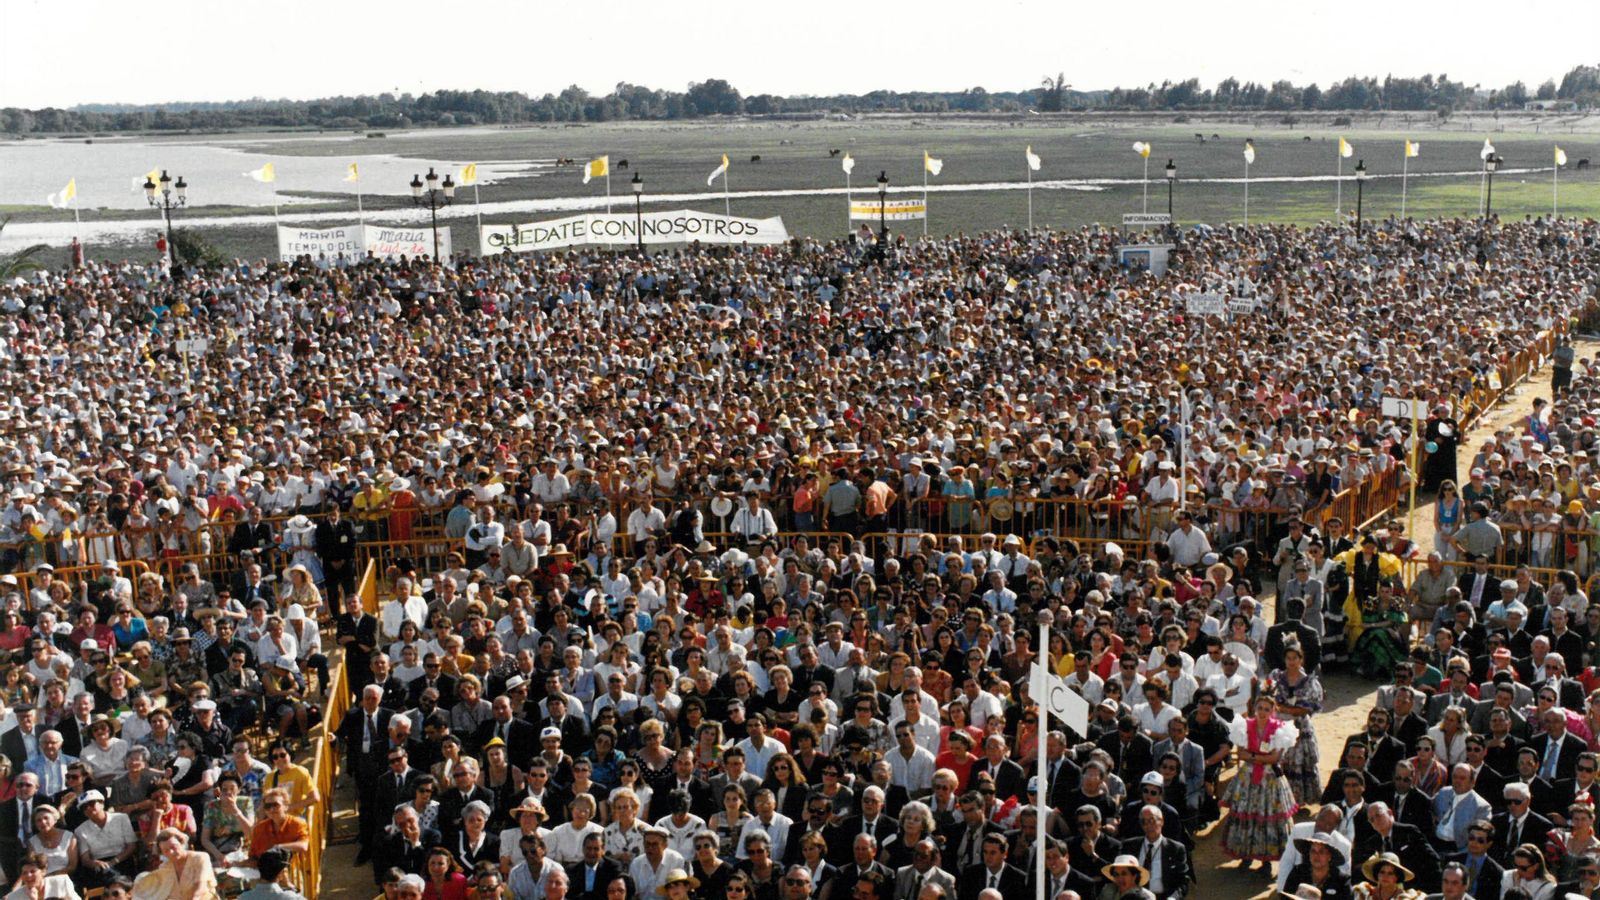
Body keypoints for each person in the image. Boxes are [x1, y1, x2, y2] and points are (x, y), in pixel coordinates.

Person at [1219, 696, 1298, 867]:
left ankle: (1266, 861)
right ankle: (1246, 854)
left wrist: (1253, 757)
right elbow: (1241, 753)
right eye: (1259, 708)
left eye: (1266, 709)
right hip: (1247, 779)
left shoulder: (1280, 729)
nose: (1262, 712)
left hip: (1269, 781)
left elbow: (1275, 757)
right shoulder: (1244, 726)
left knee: (1267, 815)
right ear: (1254, 708)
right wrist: (1262, 758)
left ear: (1273, 711)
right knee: (1246, 814)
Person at [131, 827, 218, 900]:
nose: (171, 852)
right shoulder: (164, 867)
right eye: (166, 850)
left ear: (182, 843)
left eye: (174, 847)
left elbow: (200, 887)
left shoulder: (200, 857)